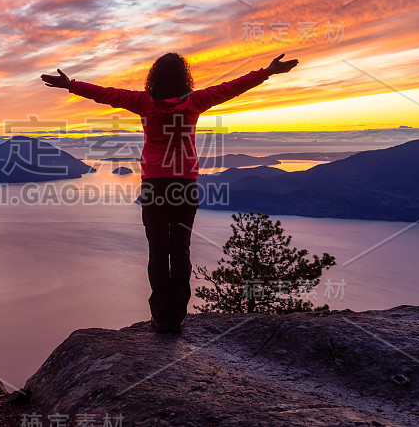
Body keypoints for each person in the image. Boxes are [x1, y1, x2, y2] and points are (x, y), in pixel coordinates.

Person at [41, 52, 298, 333]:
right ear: (183, 77)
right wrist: (267, 72)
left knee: (158, 250)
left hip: (155, 186)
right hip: (185, 185)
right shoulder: (194, 101)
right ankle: (178, 316)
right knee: (181, 249)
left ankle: (160, 317)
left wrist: (71, 85)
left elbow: (107, 95)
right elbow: (231, 87)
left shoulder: (143, 102)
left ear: (154, 78)